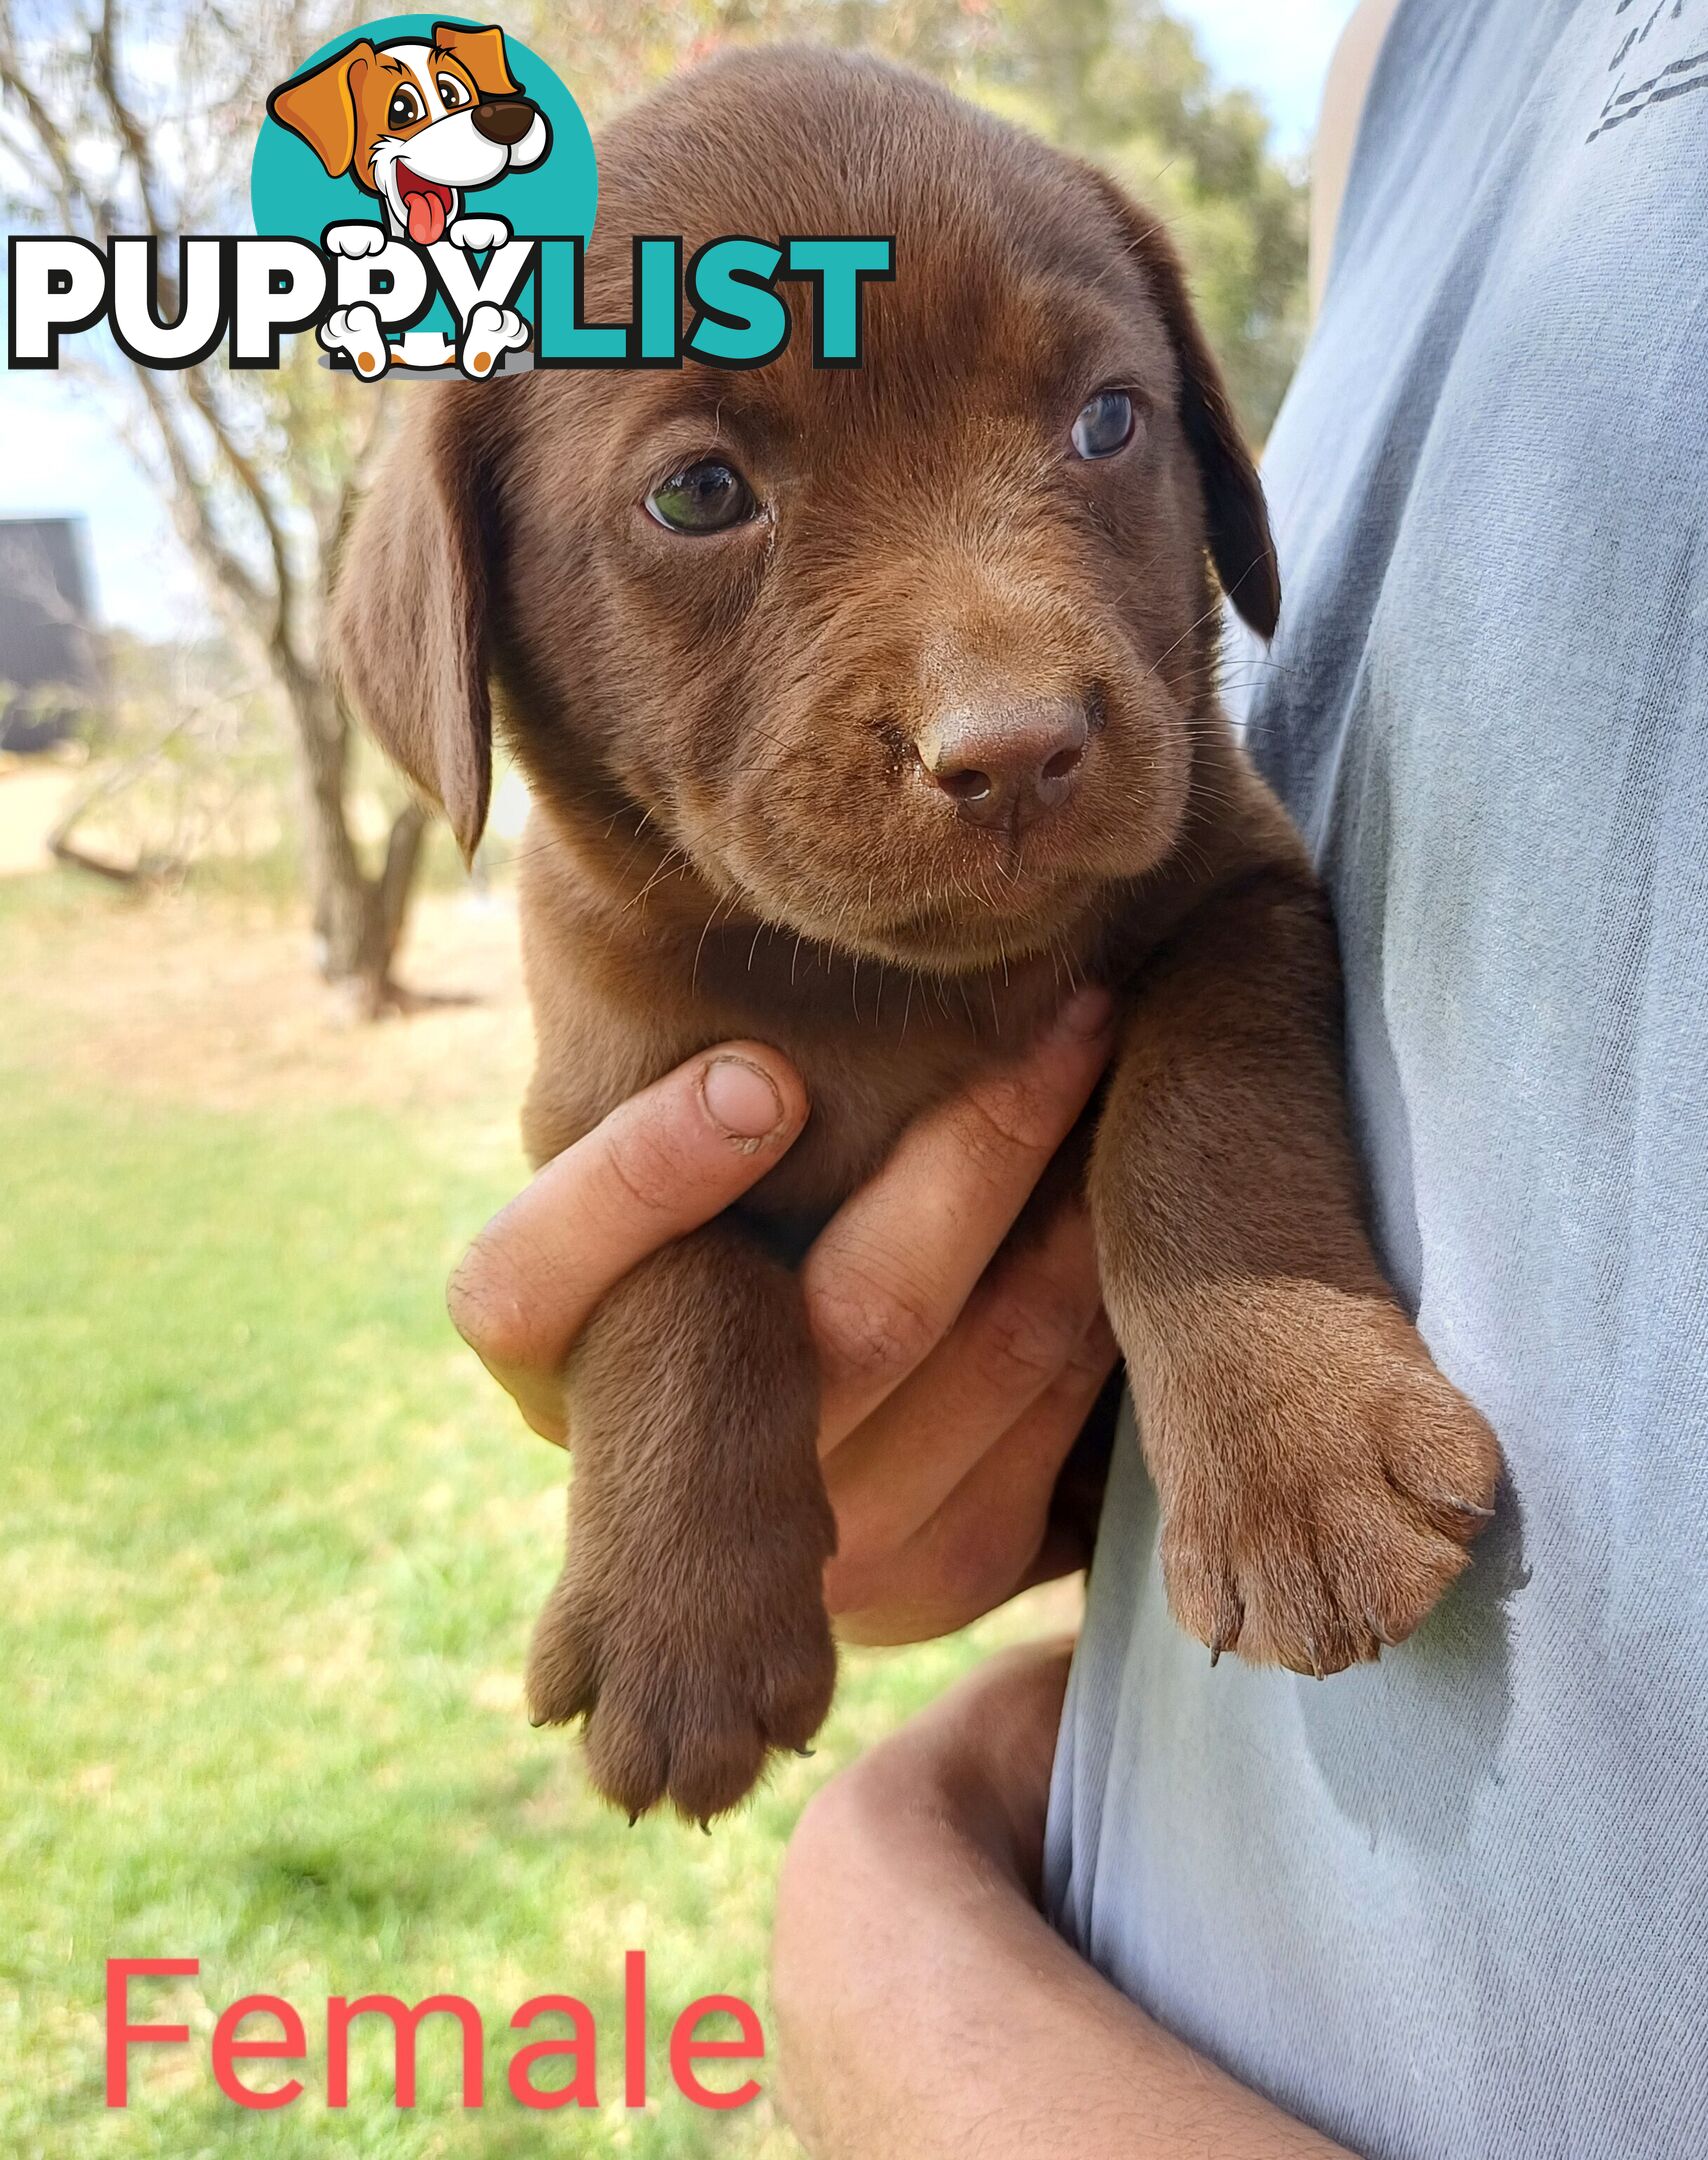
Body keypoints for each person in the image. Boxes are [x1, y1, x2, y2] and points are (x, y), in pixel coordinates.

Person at [446, 0, 1708, 2149]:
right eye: (699, 486)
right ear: (464, 606)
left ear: (1212, 457)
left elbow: (1239, 911)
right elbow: (641, 1203)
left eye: (1100, 428)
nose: (1009, 687)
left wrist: (1227, 1293)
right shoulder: (1398, 80)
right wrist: (697, 1385)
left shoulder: (1169, 834)